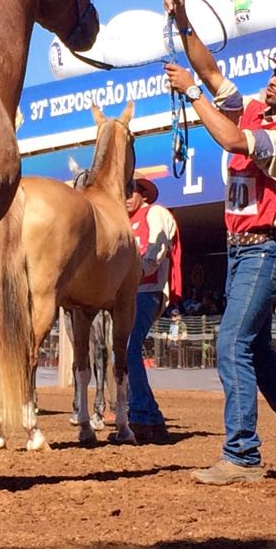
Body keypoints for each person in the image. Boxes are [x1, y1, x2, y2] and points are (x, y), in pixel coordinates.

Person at [160, 0, 276, 484]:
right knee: (255, 351)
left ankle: (241, 455)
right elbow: (211, 68)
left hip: (263, 250)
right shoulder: (263, 107)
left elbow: (233, 140)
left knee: (230, 344)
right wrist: (181, 20)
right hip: (247, 251)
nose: (274, 80)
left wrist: (192, 94)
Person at [121, 176, 180, 443]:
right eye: (125, 192)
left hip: (147, 290)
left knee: (129, 349)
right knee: (124, 351)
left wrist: (140, 270)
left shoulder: (156, 213)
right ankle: (152, 420)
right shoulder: (123, 222)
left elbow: (158, 248)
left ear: (144, 195)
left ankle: (142, 417)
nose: (128, 196)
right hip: (129, 292)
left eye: (134, 191)